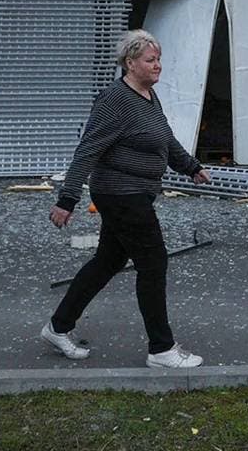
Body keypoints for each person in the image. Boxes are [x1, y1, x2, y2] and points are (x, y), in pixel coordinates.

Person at [43, 29, 210, 368]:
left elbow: (164, 140)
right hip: (121, 194)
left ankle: (58, 327)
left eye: (159, 59)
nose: (158, 66)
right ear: (130, 63)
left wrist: (190, 167)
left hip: (136, 193)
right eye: (151, 60)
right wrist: (67, 199)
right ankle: (161, 349)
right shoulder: (115, 100)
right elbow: (87, 151)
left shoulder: (147, 96)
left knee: (108, 261)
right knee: (153, 262)